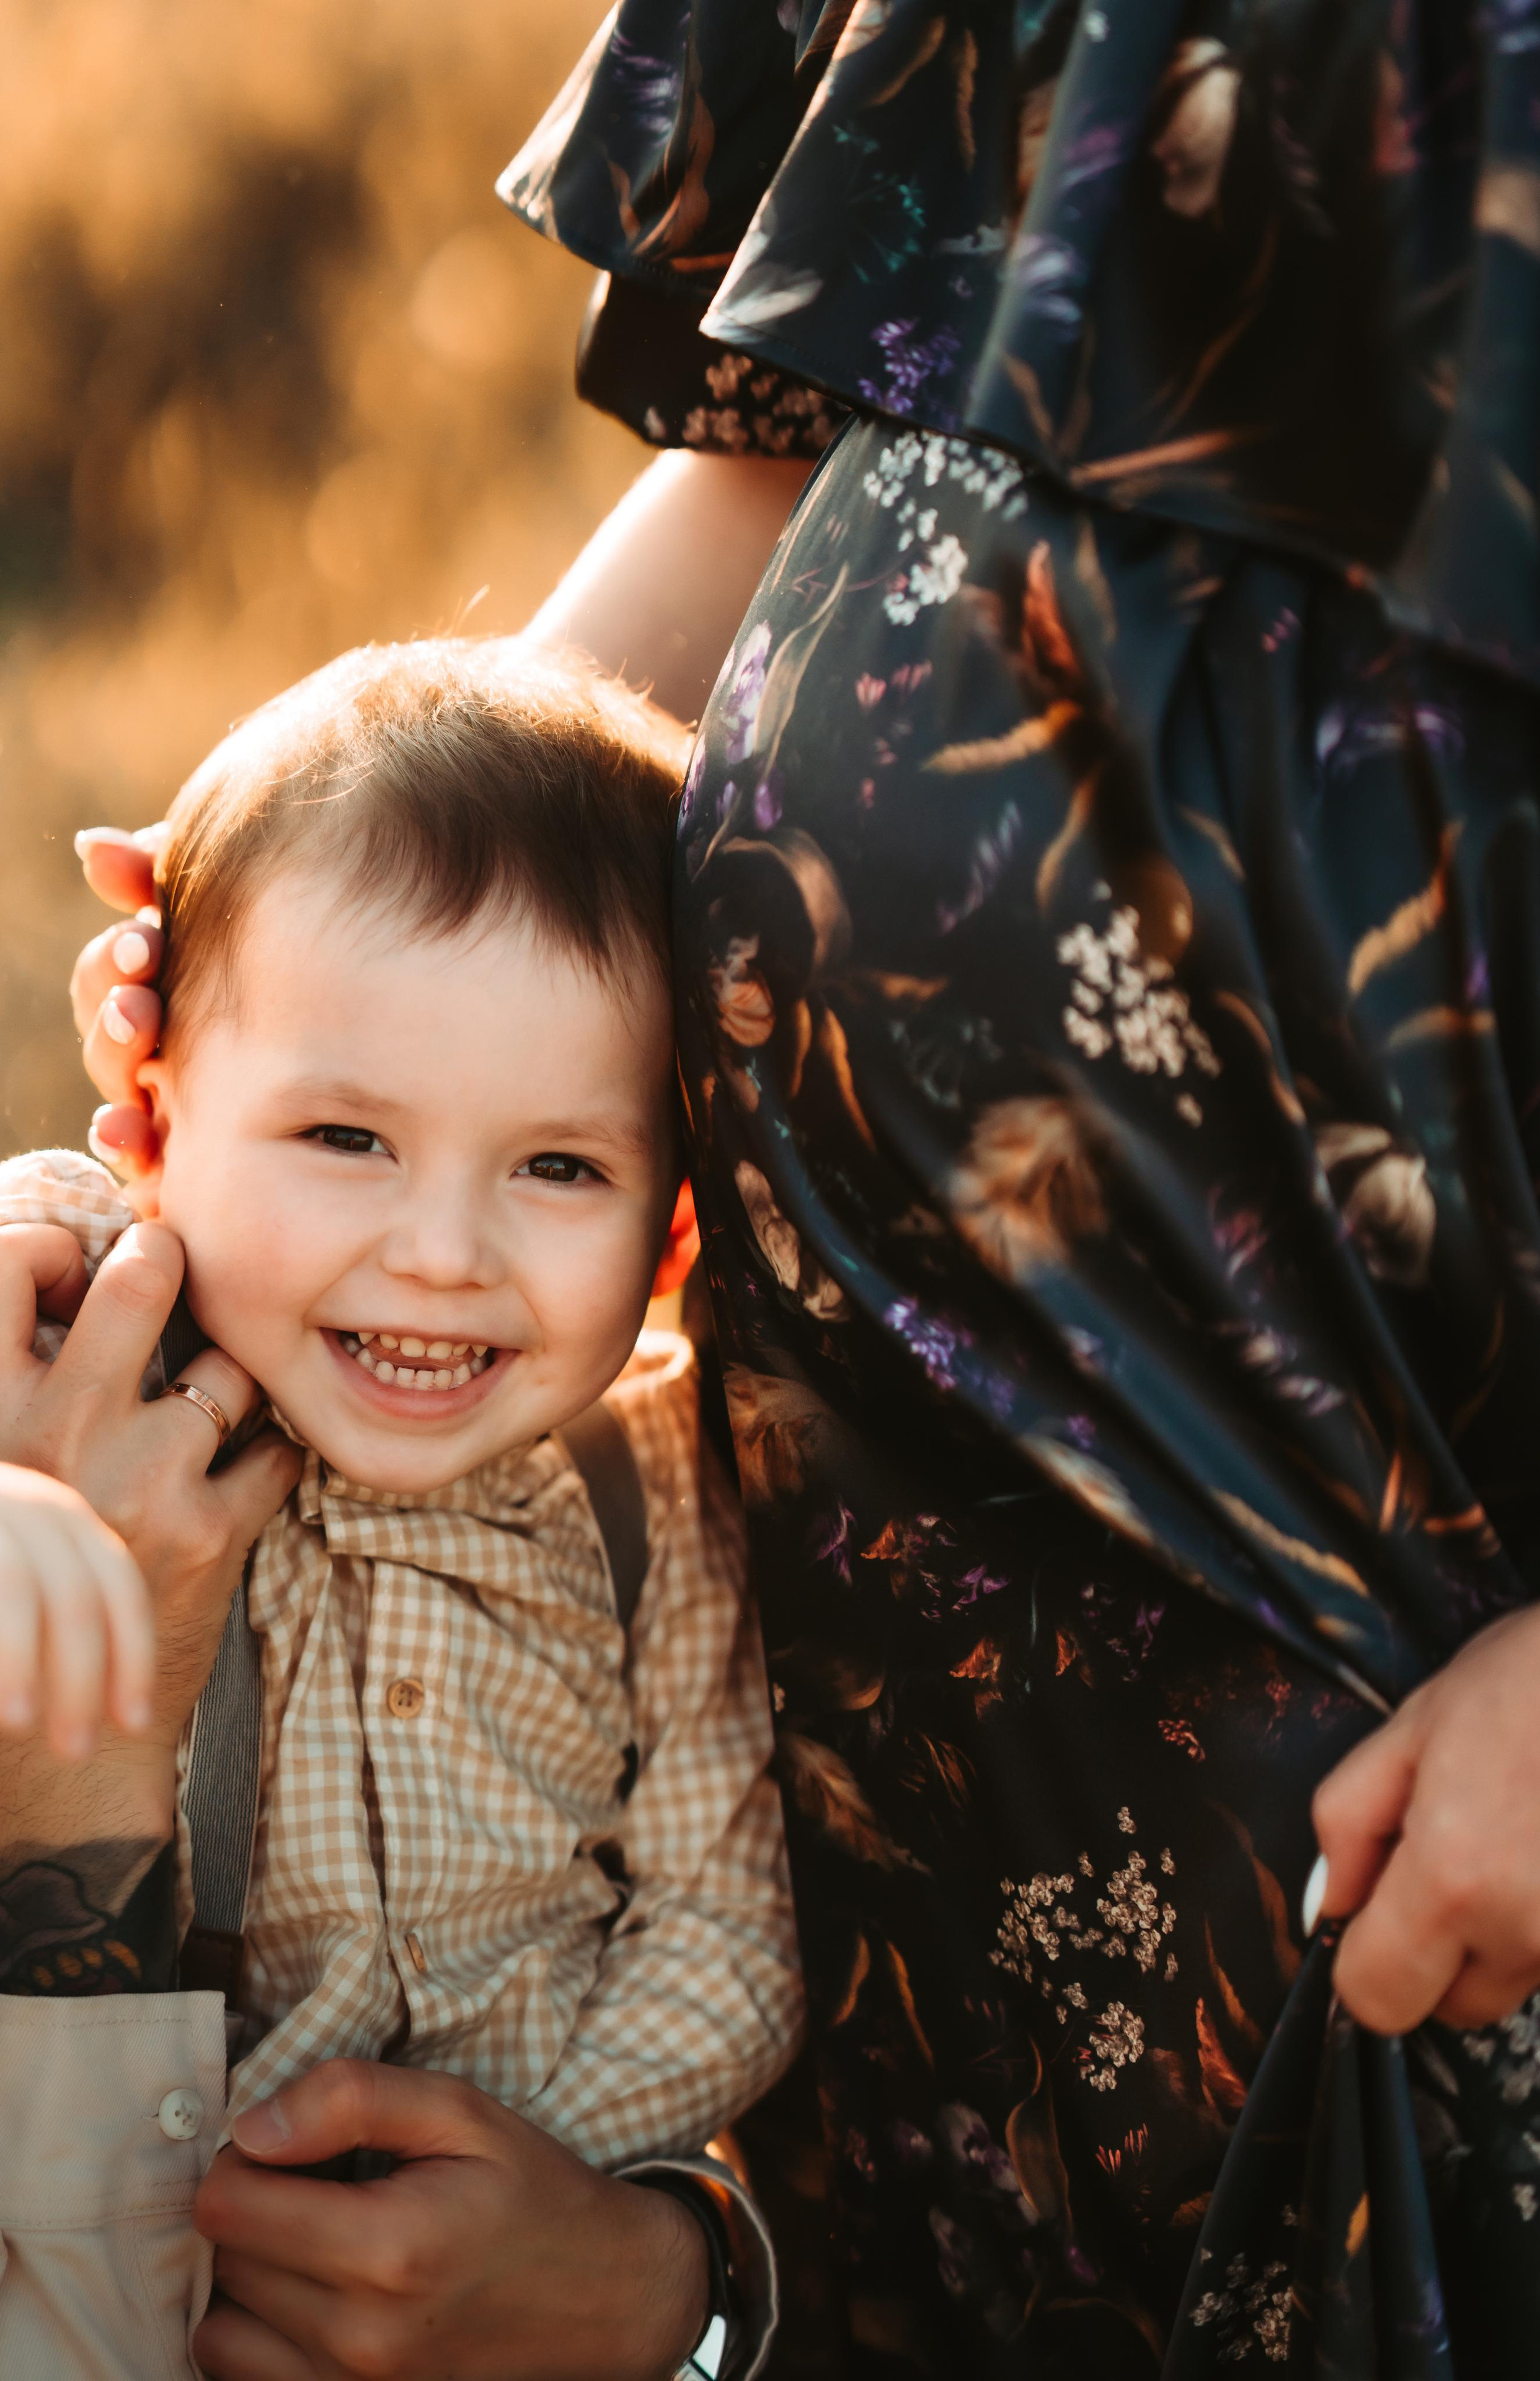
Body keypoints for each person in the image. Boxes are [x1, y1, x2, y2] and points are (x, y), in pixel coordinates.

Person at [47, 0, 1540, 2375]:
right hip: (914, 2062)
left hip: (1434, 1923)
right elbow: (785, 444)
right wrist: (302, 974)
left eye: (551, 1172)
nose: (440, 1241)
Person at [0, 635, 803, 2380]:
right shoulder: (114, 1373)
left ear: (670, 1238)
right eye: (346, 1139)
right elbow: (43, 1232)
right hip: (127, 2249)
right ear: (156, 1123)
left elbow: (725, 1923)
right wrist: (63, 1214)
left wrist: (539, 2184)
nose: (441, 1255)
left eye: (559, 1167)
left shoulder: (654, 1488)